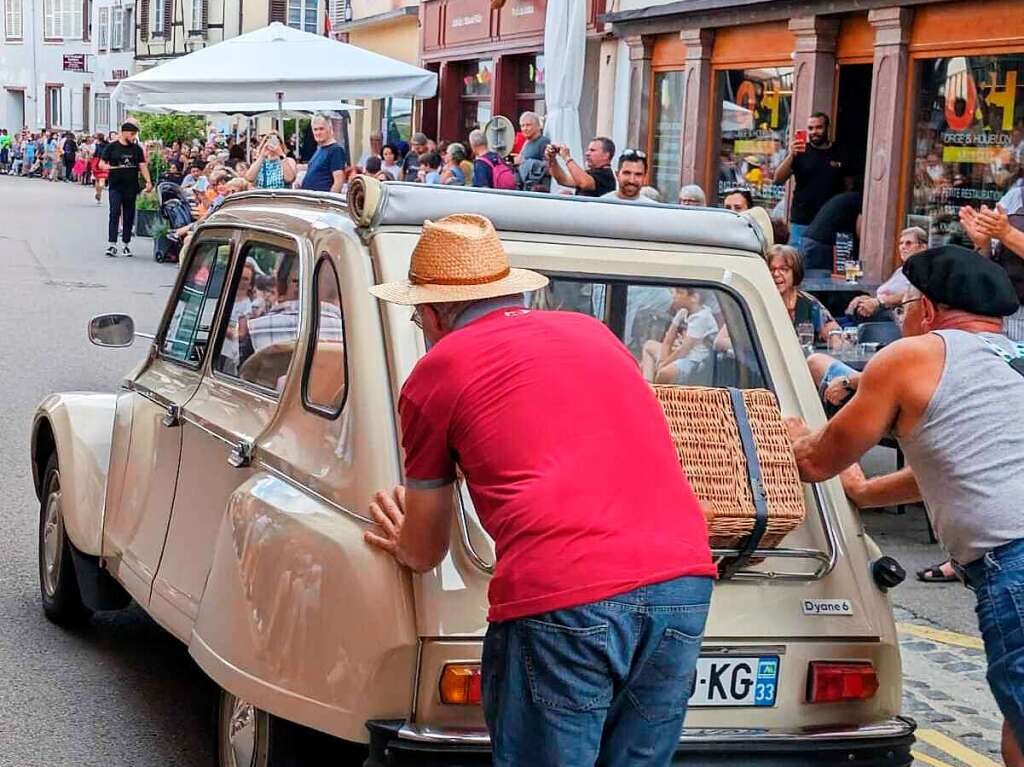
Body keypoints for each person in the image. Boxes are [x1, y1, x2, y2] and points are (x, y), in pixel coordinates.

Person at [363, 213, 715, 767]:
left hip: (566, 591)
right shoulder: (590, 331)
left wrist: (398, 535)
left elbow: (425, 548)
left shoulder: (437, 371)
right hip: (683, 576)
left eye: (416, 315)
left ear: (431, 311)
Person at [785, 245, 1024, 767]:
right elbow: (961, 464)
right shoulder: (1015, 361)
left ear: (929, 309)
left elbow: (817, 461)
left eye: (903, 307)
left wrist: (795, 434)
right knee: (1017, 719)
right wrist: (868, 492)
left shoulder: (913, 355)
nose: (901, 318)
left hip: (1016, 561)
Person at [773, 113, 853, 249]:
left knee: (824, 262)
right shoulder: (800, 152)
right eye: (810, 128)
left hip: (830, 220)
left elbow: (848, 187)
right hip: (802, 221)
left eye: (818, 127)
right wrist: (791, 155)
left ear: (827, 128)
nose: (814, 132)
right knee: (797, 263)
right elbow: (778, 180)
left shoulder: (840, 153)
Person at [847, 227, 928, 321]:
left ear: (922, 247)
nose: (903, 247)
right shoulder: (902, 270)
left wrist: (878, 301)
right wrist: (868, 299)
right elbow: (887, 293)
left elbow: (912, 295)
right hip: (878, 315)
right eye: (901, 243)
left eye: (908, 243)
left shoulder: (923, 269)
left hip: (895, 320)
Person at [640, 287, 719, 383]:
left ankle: (656, 394)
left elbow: (684, 351)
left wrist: (664, 365)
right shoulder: (683, 312)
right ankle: (647, 384)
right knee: (649, 346)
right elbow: (668, 340)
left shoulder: (702, 317)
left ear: (694, 298)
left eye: (679, 293)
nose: (674, 295)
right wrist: (662, 361)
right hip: (677, 352)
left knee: (665, 373)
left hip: (693, 361)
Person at [768, 244, 839, 344]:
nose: (776, 274)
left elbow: (835, 336)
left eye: (784, 269)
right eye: (771, 269)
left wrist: (833, 337)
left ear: (795, 272)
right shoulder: (762, 302)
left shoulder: (810, 304)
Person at [100, 122, 152, 258]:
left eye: (135, 135)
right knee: (114, 212)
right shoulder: (112, 147)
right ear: (123, 132)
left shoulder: (136, 149)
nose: (134, 137)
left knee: (129, 215)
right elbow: (101, 163)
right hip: (115, 186)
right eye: (132, 134)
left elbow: (142, 166)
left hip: (131, 186)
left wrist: (148, 181)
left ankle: (126, 244)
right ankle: (112, 244)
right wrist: (105, 167)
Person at [798, 190, 863, 271]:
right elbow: (861, 232)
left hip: (811, 243)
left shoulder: (849, 199)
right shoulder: (861, 201)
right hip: (821, 246)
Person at [545, 136, 617, 197]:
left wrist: (567, 157)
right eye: (588, 150)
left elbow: (584, 183)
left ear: (606, 155)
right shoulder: (590, 173)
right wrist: (552, 158)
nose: (587, 153)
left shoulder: (606, 176)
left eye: (592, 150)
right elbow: (563, 180)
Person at [299, 115, 347, 193]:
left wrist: (329, 202)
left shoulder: (335, 150)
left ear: (330, 129)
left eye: (321, 129)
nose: (318, 133)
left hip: (322, 202)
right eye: (315, 129)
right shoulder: (320, 149)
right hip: (310, 201)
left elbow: (338, 181)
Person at [515, 111, 550, 191]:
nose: (524, 128)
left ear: (538, 126)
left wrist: (526, 163)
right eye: (522, 126)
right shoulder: (526, 142)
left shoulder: (543, 142)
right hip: (525, 189)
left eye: (528, 125)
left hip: (539, 190)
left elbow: (549, 168)